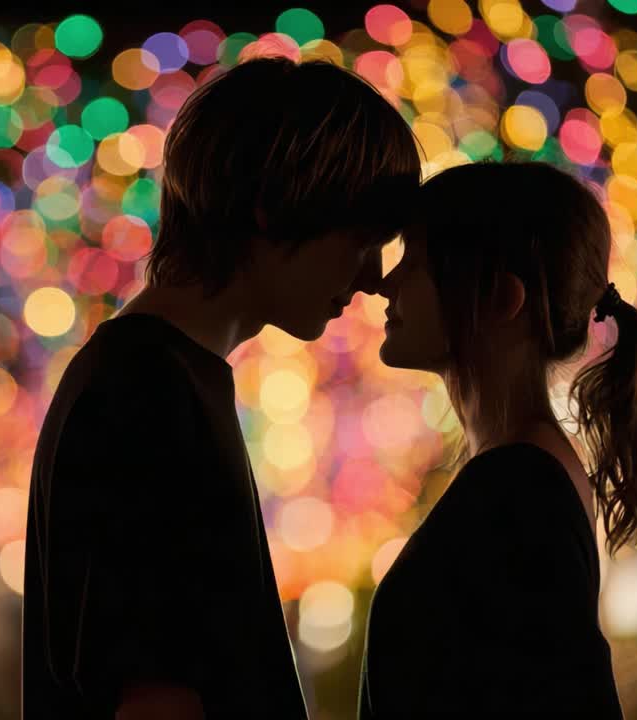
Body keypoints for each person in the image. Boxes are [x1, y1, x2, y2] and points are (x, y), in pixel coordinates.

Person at [22, 56, 420, 718]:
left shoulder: (158, 378)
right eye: (360, 238)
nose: (374, 276)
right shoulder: (144, 393)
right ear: (274, 209)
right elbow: (155, 694)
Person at [360, 161, 637, 718]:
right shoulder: (525, 477)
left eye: (417, 262)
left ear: (500, 298)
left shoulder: (517, 493)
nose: (386, 282)